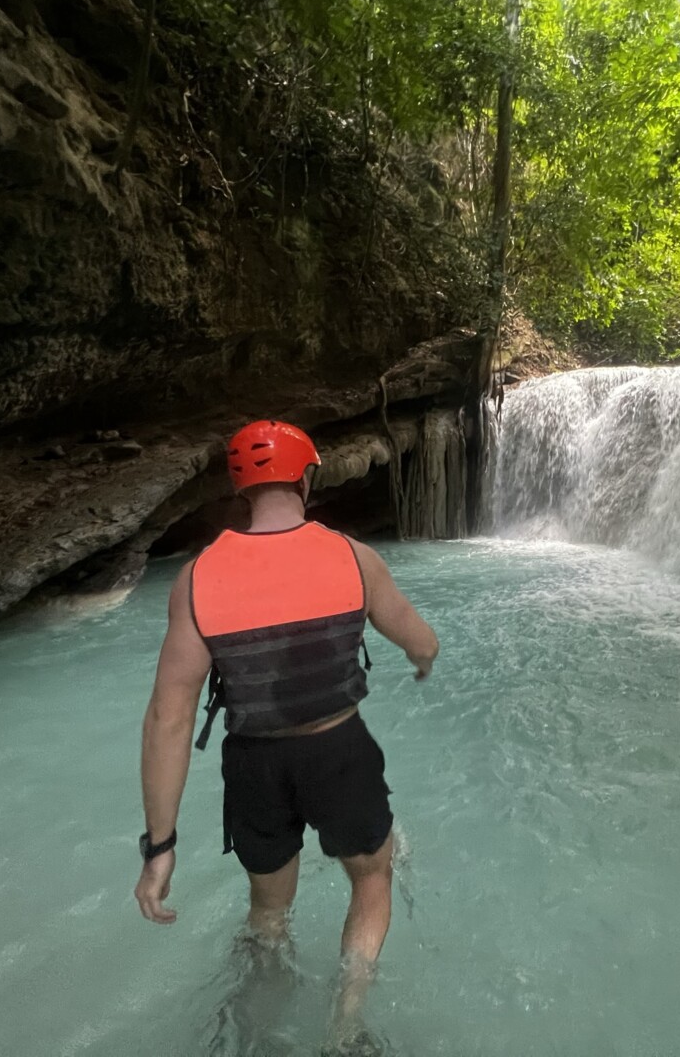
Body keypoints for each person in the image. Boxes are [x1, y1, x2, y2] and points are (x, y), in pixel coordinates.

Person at [134, 419, 440, 1047]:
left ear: (239, 488)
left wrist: (159, 848)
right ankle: (346, 1023)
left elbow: (170, 716)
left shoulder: (197, 578)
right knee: (372, 877)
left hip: (254, 765)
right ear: (307, 478)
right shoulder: (353, 557)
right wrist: (422, 660)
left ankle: (256, 1021)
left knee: (269, 909)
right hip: (339, 752)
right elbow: (419, 638)